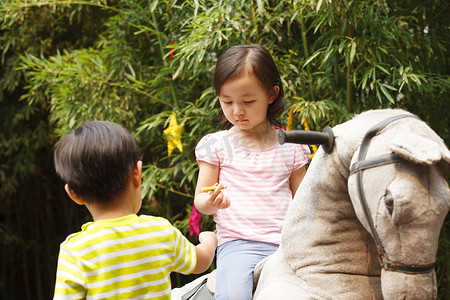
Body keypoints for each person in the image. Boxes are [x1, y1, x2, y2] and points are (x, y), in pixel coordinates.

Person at [194, 44, 311, 299]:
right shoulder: (217, 145)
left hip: (289, 246)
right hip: (239, 245)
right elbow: (201, 202)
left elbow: (304, 202)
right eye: (227, 101)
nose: (237, 110)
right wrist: (212, 202)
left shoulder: (291, 146)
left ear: (271, 94)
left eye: (247, 101)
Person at [53, 121, 217, 300]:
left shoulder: (75, 251)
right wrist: (210, 239)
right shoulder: (159, 231)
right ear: (137, 173)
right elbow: (200, 262)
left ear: (73, 193)